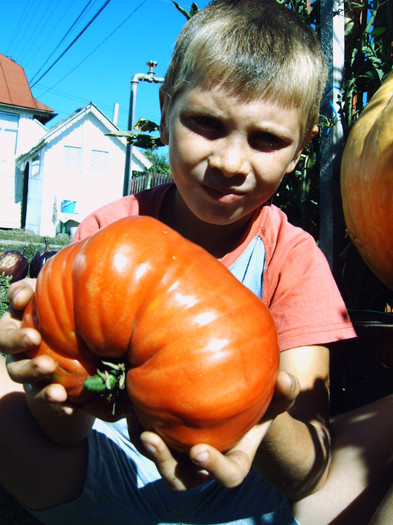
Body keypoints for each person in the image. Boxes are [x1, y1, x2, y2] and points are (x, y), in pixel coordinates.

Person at [0, 1, 392, 524]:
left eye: (267, 139)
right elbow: (61, 436)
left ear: (302, 149)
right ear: (166, 112)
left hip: (246, 492)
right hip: (103, 476)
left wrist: (253, 406)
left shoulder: (293, 258)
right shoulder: (109, 230)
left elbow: (306, 470)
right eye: (206, 123)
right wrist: (54, 386)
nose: (230, 162)